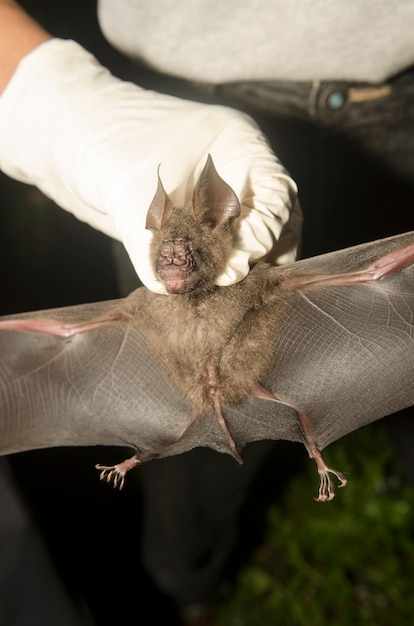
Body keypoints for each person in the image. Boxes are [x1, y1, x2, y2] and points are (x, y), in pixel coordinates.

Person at [0, 2, 414, 625]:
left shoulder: (249, 269)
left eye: (183, 247)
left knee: (378, 299)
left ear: (220, 234)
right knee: (190, 484)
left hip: (395, 100)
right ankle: (187, 580)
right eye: (165, 246)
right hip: (172, 80)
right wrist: (63, 108)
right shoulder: (138, 305)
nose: (173, 255)